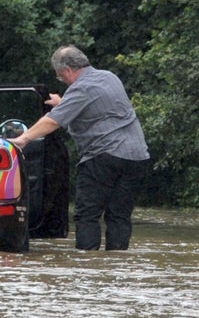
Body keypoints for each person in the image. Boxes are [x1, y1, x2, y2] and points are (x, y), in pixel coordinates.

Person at [12, 45, 149, 250]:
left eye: (61, 77)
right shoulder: (109, 77)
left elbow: (52, 121)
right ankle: (118, 263)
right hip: (137, 156)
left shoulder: (80, 89)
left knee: (87, 215)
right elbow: (94, 104)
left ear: (66, 70)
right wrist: (64, 102)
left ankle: (87, 266)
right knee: (119, 216)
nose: (63, 81)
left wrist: (24, 139)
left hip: (104, 156)